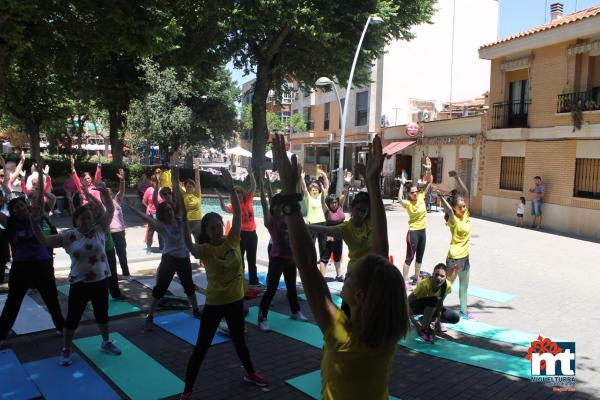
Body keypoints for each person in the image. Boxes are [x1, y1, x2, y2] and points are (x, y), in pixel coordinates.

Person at [272, 133, 409, 400]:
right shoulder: (386, 333)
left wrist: (289, 195)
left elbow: (309, 269)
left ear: (359, 296)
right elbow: (381, 251)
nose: (344, 279)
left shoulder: (343, 339)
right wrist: (371, 183)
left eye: (349, 278)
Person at [179, 167, 268, 400]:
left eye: (219, 226)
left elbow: (238, 215)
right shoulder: (206, 250)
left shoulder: (233, 240)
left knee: (240, 341)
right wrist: (182, 221)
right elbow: (189, 246)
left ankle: (250, 372)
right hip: (215, 304)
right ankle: (187, 391)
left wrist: (231, 189)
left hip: (235, 301)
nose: (217, 230)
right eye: (212, 228)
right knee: (202, 347)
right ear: (207, 233)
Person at [31, 166, 122, 366]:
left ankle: (106, 342)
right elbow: (45, 241)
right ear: (76, 220)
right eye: (83, 218)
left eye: (89, 217)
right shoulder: (69, 236)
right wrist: (34, 222)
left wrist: (104, 192)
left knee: (102, 315)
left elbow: (110, 209)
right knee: (73, 318)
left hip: (100, 281)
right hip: (80, 283)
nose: (87, 220)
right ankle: (66, 348)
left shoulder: (99, 229)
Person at [126, 160, 201, 330]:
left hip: (183, 259)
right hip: (169, 259)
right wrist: (133, 208)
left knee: (188, 285)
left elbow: (179, 200)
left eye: (170, 209)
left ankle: (196, 309)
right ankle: (150, 314)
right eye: (165, 211)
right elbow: (145, 218)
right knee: (160, 288)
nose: (168, 212)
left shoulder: (181, 218)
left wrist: (175, 175)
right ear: (162, 214)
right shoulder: (161, 226)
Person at [0, 161, 64, 348]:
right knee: (13, 302)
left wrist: (42, 181)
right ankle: (1, 333)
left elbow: (49, 200)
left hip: (42, 264)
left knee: (51, 298)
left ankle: (61, 327)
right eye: (16, 208)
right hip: (21, 267)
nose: (20, 209)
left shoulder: (37, 217)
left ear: (27, 207)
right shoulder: (10, 224)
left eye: (22, 206)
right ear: (12, 212)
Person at [256, 175, 307, 332]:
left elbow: (295, 202)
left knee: (291, 287)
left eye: (280, 205)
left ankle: (294, 311)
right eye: (276, 206)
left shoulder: (287, 217)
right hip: (277, 258)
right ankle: (262, 318)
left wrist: (296, 179)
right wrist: (263, 188)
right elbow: (266, 204)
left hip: (290, 258)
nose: (278, 208)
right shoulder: (271, 221)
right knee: (271, 288)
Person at [438, 170, 474, 320]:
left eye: (464, 206)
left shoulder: (465, 215)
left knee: (464, 287)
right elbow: (448, 209)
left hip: (465, 257)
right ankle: (436, 312)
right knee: (447, 288)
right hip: (454, 260)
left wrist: (457, 177)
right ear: (454, 209)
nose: (464, 208)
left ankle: (464, 311)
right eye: (460, 207)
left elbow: (465, 192)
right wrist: (440, 196)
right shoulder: (453, 219)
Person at [217, 169, 258, 286]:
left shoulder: (249, 200)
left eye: (240, 193)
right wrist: (220, 201)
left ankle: (253, 281)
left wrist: (251, 174)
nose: (238, 195)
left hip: (252, 234)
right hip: (240, 235)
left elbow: (253, 186)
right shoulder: (234, 206)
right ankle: (240, 281)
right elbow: (224, 209)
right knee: (239, 259)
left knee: (252, 260)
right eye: (236, 193)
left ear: (243, 194)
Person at [408, 263, 458, 344]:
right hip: (415, 308)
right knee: (433, 301)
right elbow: (407, 303)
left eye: (442, 276)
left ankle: (424, 320)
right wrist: (416, 325)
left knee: (454, 318)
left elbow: (440, 303)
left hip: (431, 306)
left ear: (446, 277)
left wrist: (437, 321)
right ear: (433, 274)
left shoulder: (447, 285)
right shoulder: (424, 285)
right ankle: (424, 329)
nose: (439, 278)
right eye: (436, 275)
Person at [400, 169, 432, 287]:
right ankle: (403, 280)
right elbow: (399, 199)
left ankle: (416, 277)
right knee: (409, 257)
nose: (415, 193)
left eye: (416, 192)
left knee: (420, 256)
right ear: (409, 194)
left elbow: (430, 182)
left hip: (422, 231)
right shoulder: (408, 204)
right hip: (413, 232)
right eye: (413, 192)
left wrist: (428, 170)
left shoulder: (421, 197)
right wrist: (402, 185)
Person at [300, 168, 329, 275]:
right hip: (311, 225)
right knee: (310, 247)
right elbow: (303, 188)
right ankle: (310, 270)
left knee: (323, 247)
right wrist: (302, 178)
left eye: (316, 189)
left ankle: (322, 273)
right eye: (313, 189)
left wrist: (325, 176)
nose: (315, 190)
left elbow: (326, 187)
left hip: (322, 224)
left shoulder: (321, 197)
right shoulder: (308, 198)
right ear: (310, 190)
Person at [109, 168, 130, 278]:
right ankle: (112, 275)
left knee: (122, 253)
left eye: (109, 193)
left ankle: (126, 273)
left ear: (111, 194)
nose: (107, 195)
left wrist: (122, 180)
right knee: (110, 255)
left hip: (120, 232)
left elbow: (121, 191)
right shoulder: (100, 205)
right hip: (108, 233)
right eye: (105, 193)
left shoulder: (116, 201)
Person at [324, 190, 348, 281]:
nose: (334, 204)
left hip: (339, 236)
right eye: (332, 203)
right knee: (325, 257)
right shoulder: (327, 210)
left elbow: (343, 195)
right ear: (329, 204)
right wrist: (323, 191)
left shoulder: (340, 207)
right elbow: (323, 201)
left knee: (338, 256)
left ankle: (339, 275)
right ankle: (322, 276)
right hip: (329, 236)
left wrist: (347, 183)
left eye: (335, 202)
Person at [182, 161, 202, 243]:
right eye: (188, 186)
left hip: (198, 221)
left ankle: (199, 255)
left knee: (199, 241)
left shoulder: (197, 194)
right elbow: (175, 184)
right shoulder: (183, 194)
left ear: (194, 187)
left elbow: (197, 181)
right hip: (187, 221)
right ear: (185, 187)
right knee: (185, 241)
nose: (189, 187)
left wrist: (196, 170)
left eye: (191, 186)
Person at [142, 175, 163, 253]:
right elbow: (143, 201)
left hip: (160, 214)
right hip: (151, 213)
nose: (154, 182)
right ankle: (148, 247)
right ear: (151, 181)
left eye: (156, 180)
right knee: (151, 231)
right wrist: (148, 207)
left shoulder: (162, 190)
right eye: (153, 180)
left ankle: (162, 247)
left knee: (160, 231)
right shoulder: (149, 190)